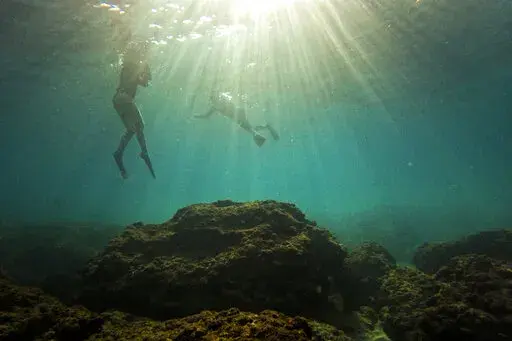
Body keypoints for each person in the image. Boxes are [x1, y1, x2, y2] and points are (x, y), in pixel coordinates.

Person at [112, 40, 156, 179]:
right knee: (140, 125)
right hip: (125, 98)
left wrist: (145, 72)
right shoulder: (133, 66)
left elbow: (143, 81)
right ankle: (144, 152)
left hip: (117, 99)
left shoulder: (128, 67)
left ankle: (119, 152)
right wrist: (146, 70)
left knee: (132, 129)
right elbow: (145, 82)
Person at [194, 91, 280, 147]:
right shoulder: (215, 107)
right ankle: (266, 127)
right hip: (237, 116)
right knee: (250, 129)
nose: (213, 101)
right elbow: (206, 116)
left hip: (239, 114)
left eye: (213, 99)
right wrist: (197, 116)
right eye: (212, 100)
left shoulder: (222, 101)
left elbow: (232, 106)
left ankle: (260, 132)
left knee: (249, 129)